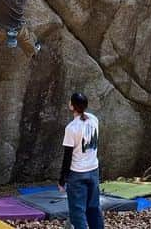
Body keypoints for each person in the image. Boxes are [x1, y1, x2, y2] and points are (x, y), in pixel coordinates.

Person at [59, 93, 102, 229]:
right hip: (93, 170)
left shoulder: (71, 128)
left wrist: (62, 180)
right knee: (94, 208)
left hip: (77, 173)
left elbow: (67, 157)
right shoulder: (94, 120)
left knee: (78, 212)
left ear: (72, 106)